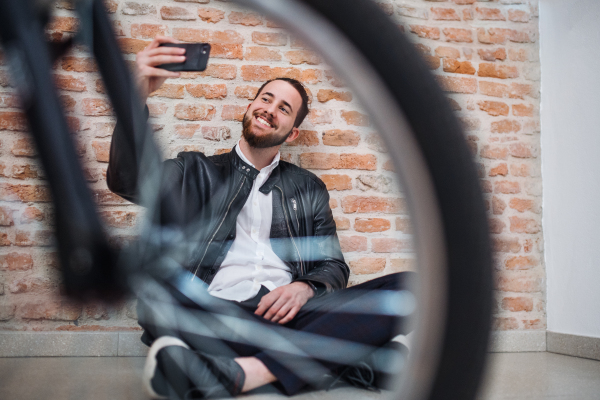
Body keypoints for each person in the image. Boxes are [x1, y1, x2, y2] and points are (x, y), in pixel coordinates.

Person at [107, 35, 413, 399]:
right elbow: (126, 180)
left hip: (289, 317)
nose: (270, 109)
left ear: (293, 131)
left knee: (407, 288)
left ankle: (242, 371)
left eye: (284, 108)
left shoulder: (308, 187)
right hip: (212, 312)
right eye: (266, 99)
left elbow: (333, 265)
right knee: (161, 286)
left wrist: (304, 288)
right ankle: (345, 362)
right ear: (251, 106)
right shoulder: (194, 169)